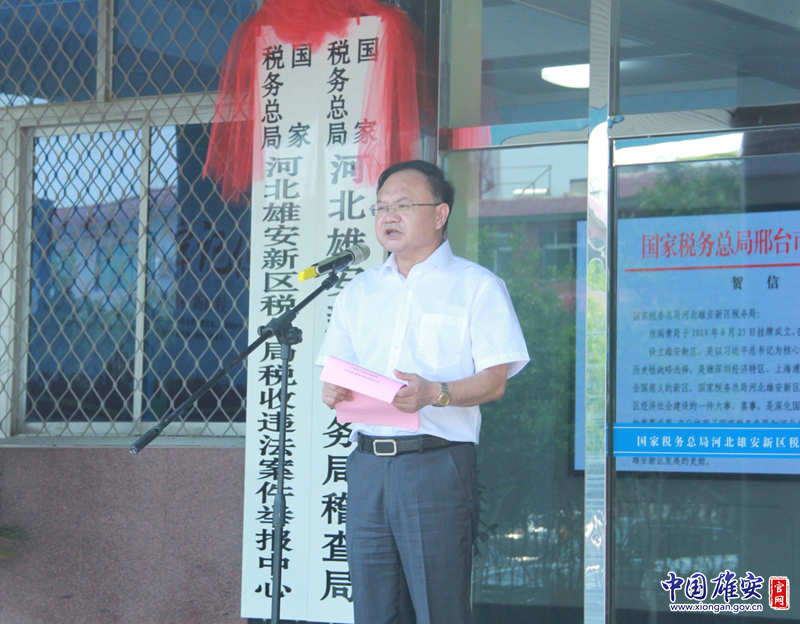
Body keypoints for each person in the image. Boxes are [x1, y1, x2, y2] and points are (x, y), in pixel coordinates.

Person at [316, 160, 529, 624]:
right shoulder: (359, 291)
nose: (388, 216)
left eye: (402, 205)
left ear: (439, 213)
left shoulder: (476, 286)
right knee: (375, 610)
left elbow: (495, 380)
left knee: (439, 609)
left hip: (435, 464)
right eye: (381, 208)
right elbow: (336, 372)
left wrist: (436, 392)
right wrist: (333, 390)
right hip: (367, 466)